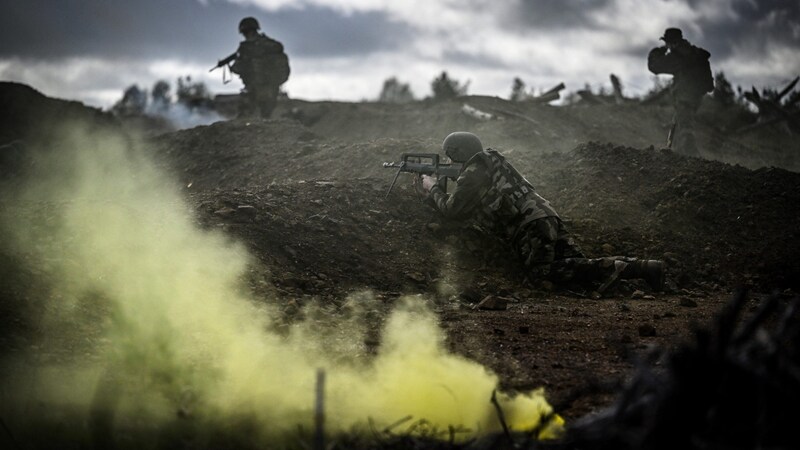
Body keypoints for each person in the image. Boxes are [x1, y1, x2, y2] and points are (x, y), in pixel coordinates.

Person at [419, 132, 665, 295]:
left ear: (458, 152)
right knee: (581, 267)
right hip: (545, 216)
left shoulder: (473, 172)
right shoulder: (492, 163)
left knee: (542, 273)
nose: (450, 160)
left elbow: (452, 211)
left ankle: (621, 267)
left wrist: (433, 189)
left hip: (530, 226)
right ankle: (645, 267)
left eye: (450, 155)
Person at [648, 27, 714, 157]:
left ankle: (693, 157)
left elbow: (654, 66)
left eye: (667, 43)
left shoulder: (680, 56)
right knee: (679, 124)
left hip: (685, 97)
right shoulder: (695, 53)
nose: (667, 46)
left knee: (685, 128)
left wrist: (660, 50)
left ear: (673, 43)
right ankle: (677, 154)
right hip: (695, 97)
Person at [230, 17, 290, 119]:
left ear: (247, 32)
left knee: (248, 117)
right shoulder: (269, 44)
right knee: (266, 116)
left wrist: (234, 67)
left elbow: (238, 67)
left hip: (257, 88)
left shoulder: (247, 48)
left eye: (245, 33)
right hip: (270, 87)